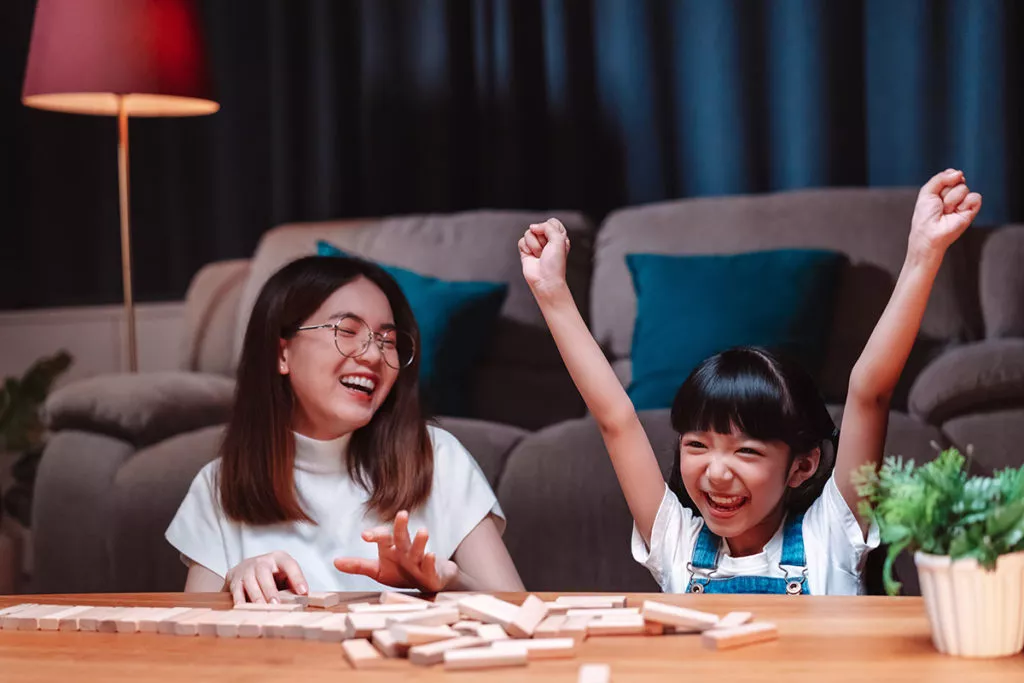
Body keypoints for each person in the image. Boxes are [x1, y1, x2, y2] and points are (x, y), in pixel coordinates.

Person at [519, 169, 981, 595]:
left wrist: (924, 255)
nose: (717, 472)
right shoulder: (676, 543)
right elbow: (616, 418)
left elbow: (870, 391)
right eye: (697, 445)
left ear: (801, 467)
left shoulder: (833, 535)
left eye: (746, 451)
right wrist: (551, 292)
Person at [166, 255, 524, 603]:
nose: (372, 355)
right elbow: (192, 648)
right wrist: (235, 587)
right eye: (347, 331)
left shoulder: (437, 458)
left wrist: (448, 583)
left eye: (387, 340)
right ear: (281, 354)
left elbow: (522, 615)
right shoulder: (219, 484)